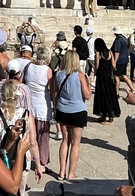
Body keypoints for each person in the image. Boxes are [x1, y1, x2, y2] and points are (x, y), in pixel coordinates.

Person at [0, 78, 42, 196]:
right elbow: (33, 142)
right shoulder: (26, 114)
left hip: (1, 160)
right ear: (17, 97)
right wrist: (38, 165)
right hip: (22, 161)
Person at [53, 49, 91, 180]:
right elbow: (87, 95)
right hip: (77, 110)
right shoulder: (80, 76)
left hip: (62, 109)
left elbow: (55, 93)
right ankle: (71, 173)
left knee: (65, 140)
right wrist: (89, 83)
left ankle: (61, 171)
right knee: (76, 143)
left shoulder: (58, 74)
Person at [23, 45, 54, 177]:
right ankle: (41, 163)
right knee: (43, 136)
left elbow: (22, 81)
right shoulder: (48, 70)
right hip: (42, 105)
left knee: (29, 134)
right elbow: (53, 89)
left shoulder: (28, 66)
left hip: (30, 105)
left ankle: (28, 158)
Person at [92, 38, 120, 124]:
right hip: (108, 76)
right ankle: (105, 115)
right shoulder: (110, 52)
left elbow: (96, 66)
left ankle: (110, 118)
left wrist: (95, 73)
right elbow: (113, 65)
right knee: (109, 94)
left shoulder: (98, 53)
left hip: (101, 77)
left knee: (101, 95)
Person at [111, 27, 135, 94]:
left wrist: (114, 62)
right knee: (124, 75)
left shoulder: (118, 40)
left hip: (119, 61)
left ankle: (116, 93)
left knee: (116, 76)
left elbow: (117, 52)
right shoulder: (123, 38)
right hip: (124, 59)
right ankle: (133, 89)